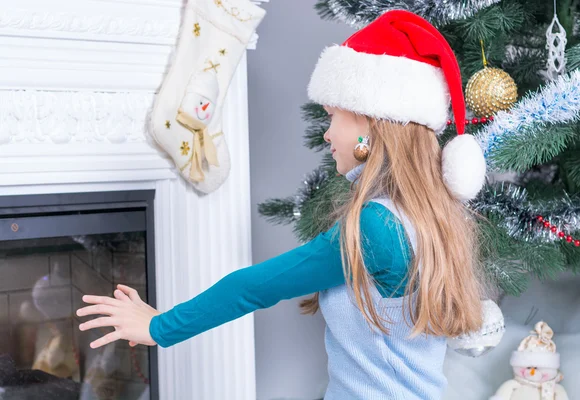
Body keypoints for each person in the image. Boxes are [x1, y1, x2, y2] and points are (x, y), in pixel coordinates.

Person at [77, 9, 489, 399]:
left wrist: (158, 326)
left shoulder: (376, 227)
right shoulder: (429, 217)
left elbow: (255, 286)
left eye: (333, 116)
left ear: (371, 124)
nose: (327, 135)